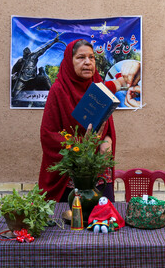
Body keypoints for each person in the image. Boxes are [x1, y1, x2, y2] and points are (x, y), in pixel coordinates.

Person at [39, 39, 124, 202]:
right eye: (81, 57)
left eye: (91, 57)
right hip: (69, 175)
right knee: (70, 221)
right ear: (69, 62)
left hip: (98, 170)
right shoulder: (58, 90)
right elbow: (48, 135)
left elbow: (106, 127)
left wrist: (107, 140)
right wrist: (81, 143)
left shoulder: (98, 86)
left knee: (102, 219)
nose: (88, 62)